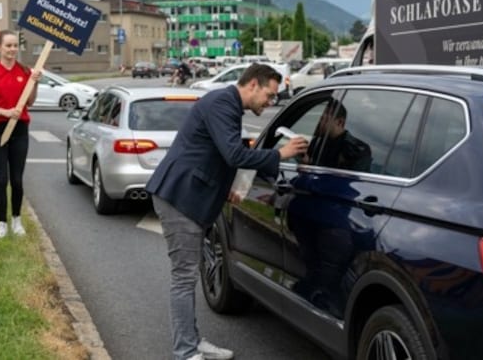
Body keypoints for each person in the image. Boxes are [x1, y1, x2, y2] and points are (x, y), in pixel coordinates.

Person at [145, 64, 309, 360]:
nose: (271, 102)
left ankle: (192, 341)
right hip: (180, 197)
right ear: (253, 85)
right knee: (183, 278)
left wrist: (232, 184)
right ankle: (185, 351)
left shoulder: (227, 104)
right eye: (269, 95)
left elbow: (221, 155)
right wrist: (279, 154)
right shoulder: (223, 103)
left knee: (188, 274)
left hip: (190, 196)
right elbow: (233, 153)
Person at [0, 29, 41, 240]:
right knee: (1, 179)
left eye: (15, 46)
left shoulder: (24, 71)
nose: (12, 50)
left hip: (20, 130)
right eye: (8, 46)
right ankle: (2, 223)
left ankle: (17, 220)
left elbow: (30, 102)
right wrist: (4, 112)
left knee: (17, 179)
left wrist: (35, 82)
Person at [303, 98, 372, 172]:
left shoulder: (357, 149)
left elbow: (347, 179)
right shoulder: (316, 142)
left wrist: (309, 163)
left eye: (322, 118)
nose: (318, 122)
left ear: (339, 122)